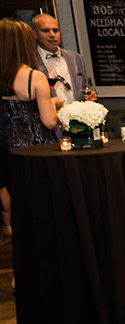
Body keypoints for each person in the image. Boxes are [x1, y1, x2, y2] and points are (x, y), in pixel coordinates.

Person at [0, 18, 60, 244]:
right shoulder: (35, 76)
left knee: (20, 206)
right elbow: (49, 122)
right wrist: (55, 105)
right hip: (38, 150)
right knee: (45, 208)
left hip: (9, 151)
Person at [31, 14, 97, 107]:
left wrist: (91, 93)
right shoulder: (31, 60)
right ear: (35, 33)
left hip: (76, 114)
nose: (52, 35)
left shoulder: (75, 58)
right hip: (49, 114)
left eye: (55, 30)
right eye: (46, 30)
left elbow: (86, 85)